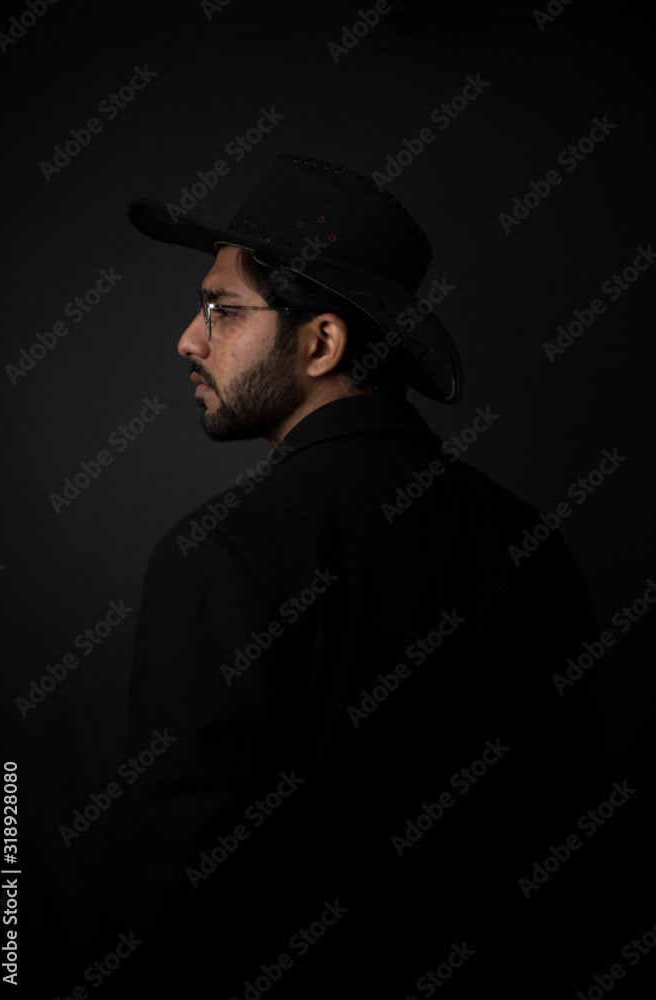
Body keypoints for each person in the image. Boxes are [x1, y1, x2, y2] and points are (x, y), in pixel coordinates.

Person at [95, 153, 606, 996]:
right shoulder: (532, 542)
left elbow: (168, 896)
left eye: (222, 309)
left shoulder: (226, 552)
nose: (189, 339)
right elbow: (582, 829)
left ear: (323, 341)